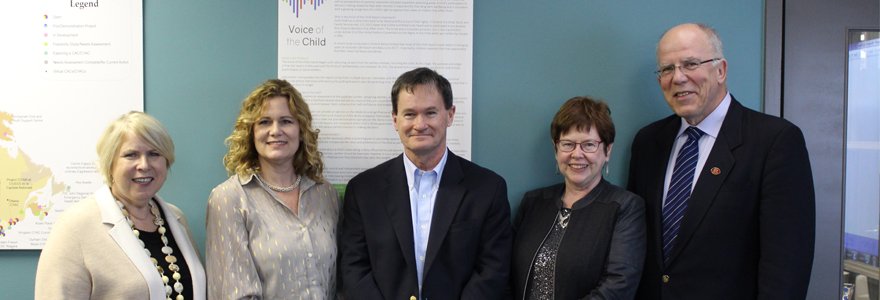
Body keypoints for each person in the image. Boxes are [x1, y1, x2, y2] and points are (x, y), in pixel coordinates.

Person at [627, 23, 815, 299]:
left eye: (690, 64)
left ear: (720, 70)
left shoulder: (775, 141)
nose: (678, 78)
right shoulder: (648, 142)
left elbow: (787, 266)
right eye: (667, 69)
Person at [340, 67, 513, 299]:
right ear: (395, 120)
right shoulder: (362, 191)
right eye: (409, 114)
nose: (420, 124)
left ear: (450, 115)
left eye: (430, 113)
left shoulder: (488, 189)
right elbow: (354, 269)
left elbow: (493, 270)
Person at [35, 111, 206, 300]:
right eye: (131, 155)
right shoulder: (75, 226)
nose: (144, 165)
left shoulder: (177, 219)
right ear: (110, 164)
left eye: (154, 154)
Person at [206, 79, 340, 299]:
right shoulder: (229, 198)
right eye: (264, 122)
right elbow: (234, 293)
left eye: (286, 121)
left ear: (301, 130)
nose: (275, 131)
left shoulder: (325, 194)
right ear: (250, 132)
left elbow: (337, 283)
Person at [512, 96, 645, 300]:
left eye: (589, 145)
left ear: (607, 150)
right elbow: (505, 272)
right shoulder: (533, 202)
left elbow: (619, 285)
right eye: (567, 144)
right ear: (556, 149)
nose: (577, 154)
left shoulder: (624, 207)